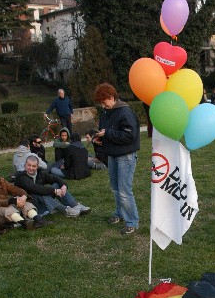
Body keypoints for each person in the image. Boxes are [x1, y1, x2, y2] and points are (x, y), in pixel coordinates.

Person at [94, 83, 140, 234]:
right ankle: (120, 214)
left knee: (124, 190)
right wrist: (100, 139)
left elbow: (129, 135)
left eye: (104, 101)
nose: (103, 105)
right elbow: (108, 132)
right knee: (115, 189)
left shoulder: (125, 112)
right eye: (101, 102)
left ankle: (132, 221)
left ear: (112, 97)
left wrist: (107, 134)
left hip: (125, 157)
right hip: (113, 155)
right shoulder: (106, 114)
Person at [15, 156, 90, 218]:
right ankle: (66, 210)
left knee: (57, 184)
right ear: (25, 165)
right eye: (29, 165)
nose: (31, 168)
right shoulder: (21, 177)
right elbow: (35, 188)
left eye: (34, 166)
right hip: (29, 204)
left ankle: (75, 205)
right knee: (41, 193)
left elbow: (55, 178)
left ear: (37, 166)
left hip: (41, 200)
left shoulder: (40, 173)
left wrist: (64, 185)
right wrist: (55, 191)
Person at [0, 162, 47, 230]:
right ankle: (24, 223)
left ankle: (38, 219)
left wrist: (23, 196)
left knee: (19, 199)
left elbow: (15, 189)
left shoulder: (1, 181)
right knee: (2, 206)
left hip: (4, 211)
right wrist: (13, 200)